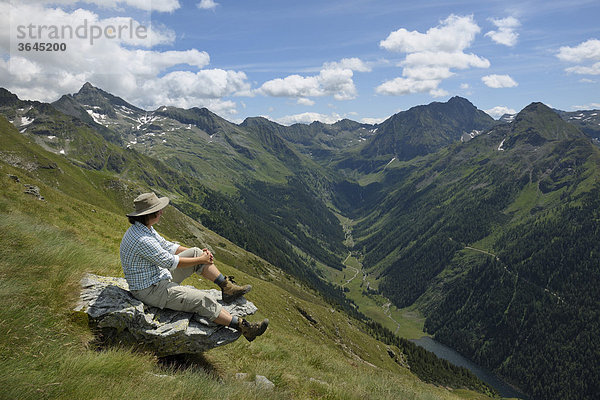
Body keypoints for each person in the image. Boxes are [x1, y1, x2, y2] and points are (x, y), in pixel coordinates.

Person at [120, 192, 268, 342]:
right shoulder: (143, 240)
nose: (161, 212)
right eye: (158, 210)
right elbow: (170, 262)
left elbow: (167, 246)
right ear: (149, 214)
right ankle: (244, 327)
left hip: (157, 277)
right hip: (150, 290)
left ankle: (227, 288)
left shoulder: (145, 229)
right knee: (202, 299)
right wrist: (200, 259)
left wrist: (200, 256)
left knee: (195, 251)